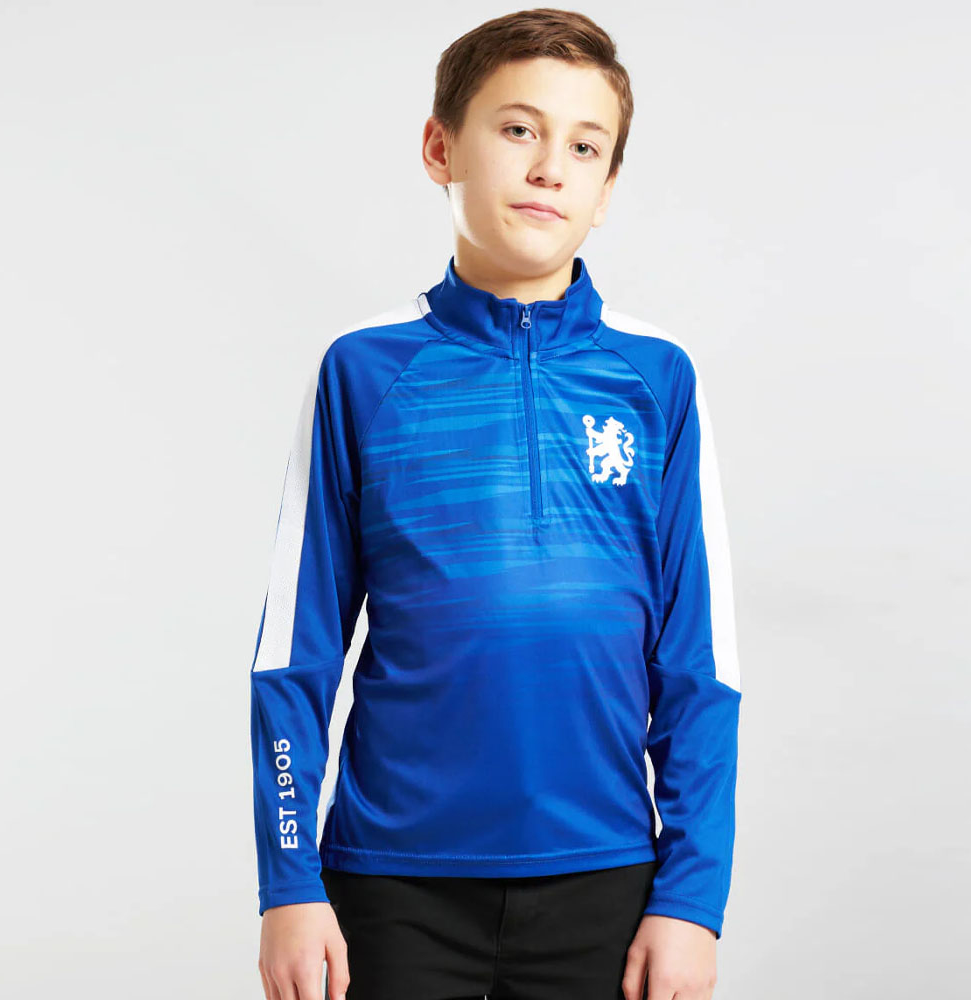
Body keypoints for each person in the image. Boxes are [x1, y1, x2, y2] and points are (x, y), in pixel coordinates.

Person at [249, 9, 741, 1000]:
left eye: (584, 146)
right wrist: (288, 883)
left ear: (606, 190)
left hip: (605, 877)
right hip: (391, 882)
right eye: (518, 129)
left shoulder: (655, 379)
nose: (549, 167)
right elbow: (293, 655)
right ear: (441, 148)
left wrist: (691, 897)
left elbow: (698, 664)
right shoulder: (364, 370)